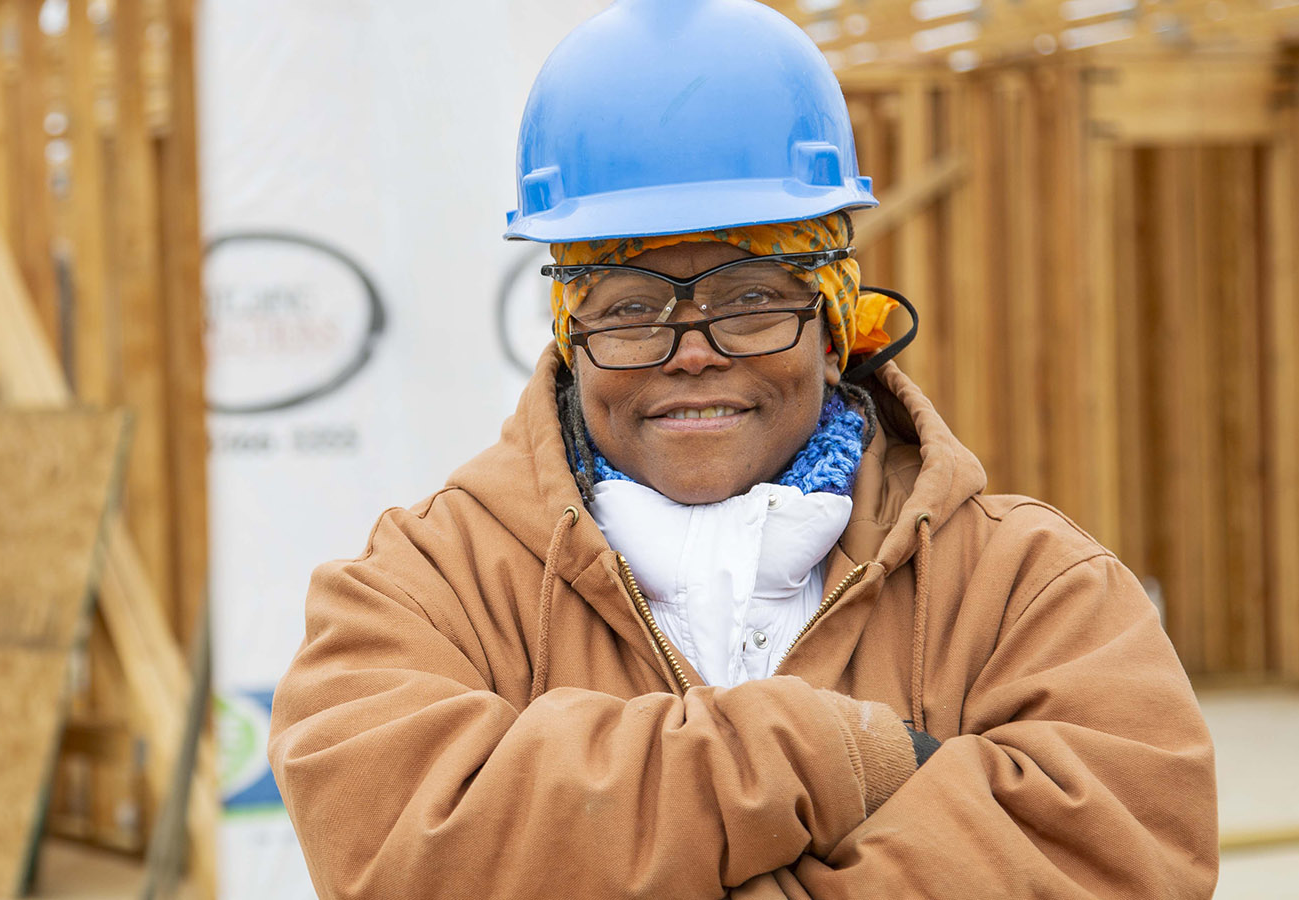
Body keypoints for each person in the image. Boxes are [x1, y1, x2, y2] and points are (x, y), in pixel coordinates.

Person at [267, 0, 1218, 896]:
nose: (690, 354)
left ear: (835, 322)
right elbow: (404, 849)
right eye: (632, 308)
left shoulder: (1033, 590)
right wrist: (835, 757)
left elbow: (1122, 852)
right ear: (570, 333)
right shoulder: (419, 590)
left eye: (750, 299)